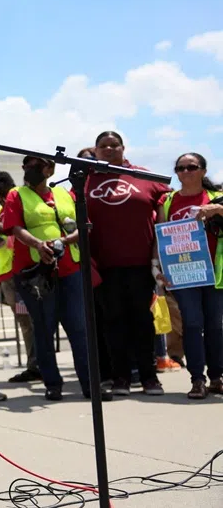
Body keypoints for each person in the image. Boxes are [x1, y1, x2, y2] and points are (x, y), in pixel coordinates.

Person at [3, 156, 112, 402]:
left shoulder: (65, 194)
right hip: (36, 273)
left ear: (50, 169)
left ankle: (90, 385)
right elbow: (14, 228)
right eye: (26, 166)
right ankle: (52, 384)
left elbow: (82, 225)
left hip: (70, 270)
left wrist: (64, 241)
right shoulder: (16, 195)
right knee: (44, 329)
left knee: (79, 329)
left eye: (36, 165)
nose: (29, 170)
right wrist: (39, 245)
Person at [86, 131, 169, 396]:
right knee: (113, 323)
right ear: (95, 151)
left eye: (114, 145)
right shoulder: (85, 183)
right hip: (104, 267)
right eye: (103, 146)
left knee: (143, 322)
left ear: (123, 148)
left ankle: (149, 378)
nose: (109, 149)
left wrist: (161, 255)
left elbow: (166, 206)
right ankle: (120, 378)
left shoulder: (145, 176)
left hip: (141, 265)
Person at [156, 152, 223, 399]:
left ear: (203, 171)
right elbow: (160, 236)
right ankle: (197, 379)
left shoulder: (216, 197)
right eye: (180, 168)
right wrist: (158, 269)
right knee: (192, 324)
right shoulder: (167, 200)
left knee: (215, 326)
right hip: (184, 273)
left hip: (215, 272)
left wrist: (217, 209)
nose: (186, 172)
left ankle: (217, 376)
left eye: (192, 167)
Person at [0, 171, 40, 384]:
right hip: (7, 275)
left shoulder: (19, 208)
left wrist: (2, 231)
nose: (2, 197)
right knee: (25, 321)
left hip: (22, 272)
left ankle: (37, 365)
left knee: (30, 322)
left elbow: (19, 235)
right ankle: (35, 364)